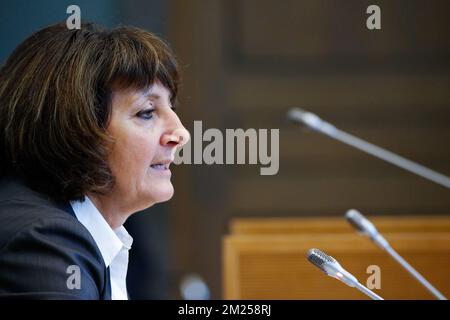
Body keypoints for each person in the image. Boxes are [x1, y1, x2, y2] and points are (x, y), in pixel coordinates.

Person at [0, 22, 190, 299]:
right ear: (75, 129)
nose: (180, 133)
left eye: (170, 107)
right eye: (147, 112)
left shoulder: (75, 225)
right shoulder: (45, 240)